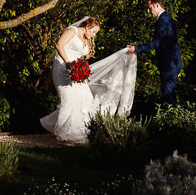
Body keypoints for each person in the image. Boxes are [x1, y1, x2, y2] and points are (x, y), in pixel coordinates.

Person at [40, 16, 137, 144]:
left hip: (75, 71)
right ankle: (62, 136)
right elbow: (59, 45)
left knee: (85, 98)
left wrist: (80, 69)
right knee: (67, 101)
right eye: (93, 32)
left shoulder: (86, 38)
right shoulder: (72, 31)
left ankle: (63, 128)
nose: (93, 35)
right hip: (62, 69)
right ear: (87, 27)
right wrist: (69, 64)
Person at [127, 0, 182, 105]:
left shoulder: (163, 20)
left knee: (167, 95)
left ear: (157, 5)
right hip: (171, 62)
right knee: (168, 94)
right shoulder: (166, 18)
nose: (148, 11)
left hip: (170, 63)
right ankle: (171, 117)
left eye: (150, 7)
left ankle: (169, 119)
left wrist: (136, 48)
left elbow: (157, 43)